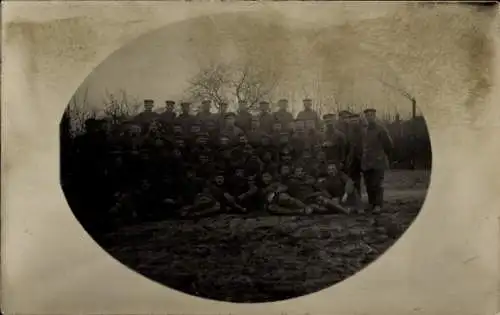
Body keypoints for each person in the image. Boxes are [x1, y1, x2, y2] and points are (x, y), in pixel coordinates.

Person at [360, 108, 394, 213]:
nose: (369, 117)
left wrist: (382, 156)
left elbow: (389, 145)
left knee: (377, 184)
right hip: (366, 162)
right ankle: (372, 203)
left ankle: (378, 205)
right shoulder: (364, 130)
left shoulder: (381, 129)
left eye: (371, 115)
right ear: (365, 117)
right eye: (367, 116)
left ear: (375, 116)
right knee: (368, 184)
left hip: (378, 162)